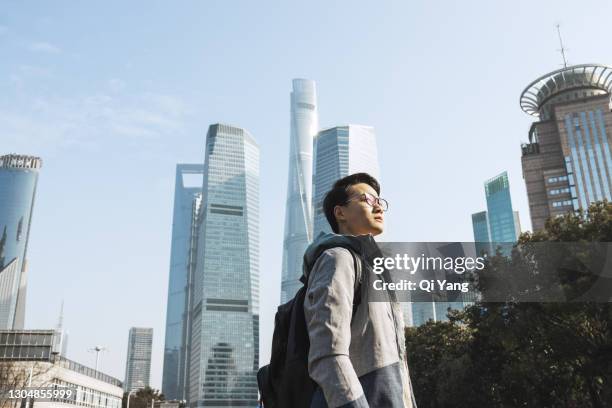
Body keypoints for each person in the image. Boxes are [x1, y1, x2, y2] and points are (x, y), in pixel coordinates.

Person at [303, 173, 416, 408]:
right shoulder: (337, 259)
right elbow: (327, 354)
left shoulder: (374, 271)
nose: (379, 208)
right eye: (368, 200)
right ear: (340, 212)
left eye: (380, 202)